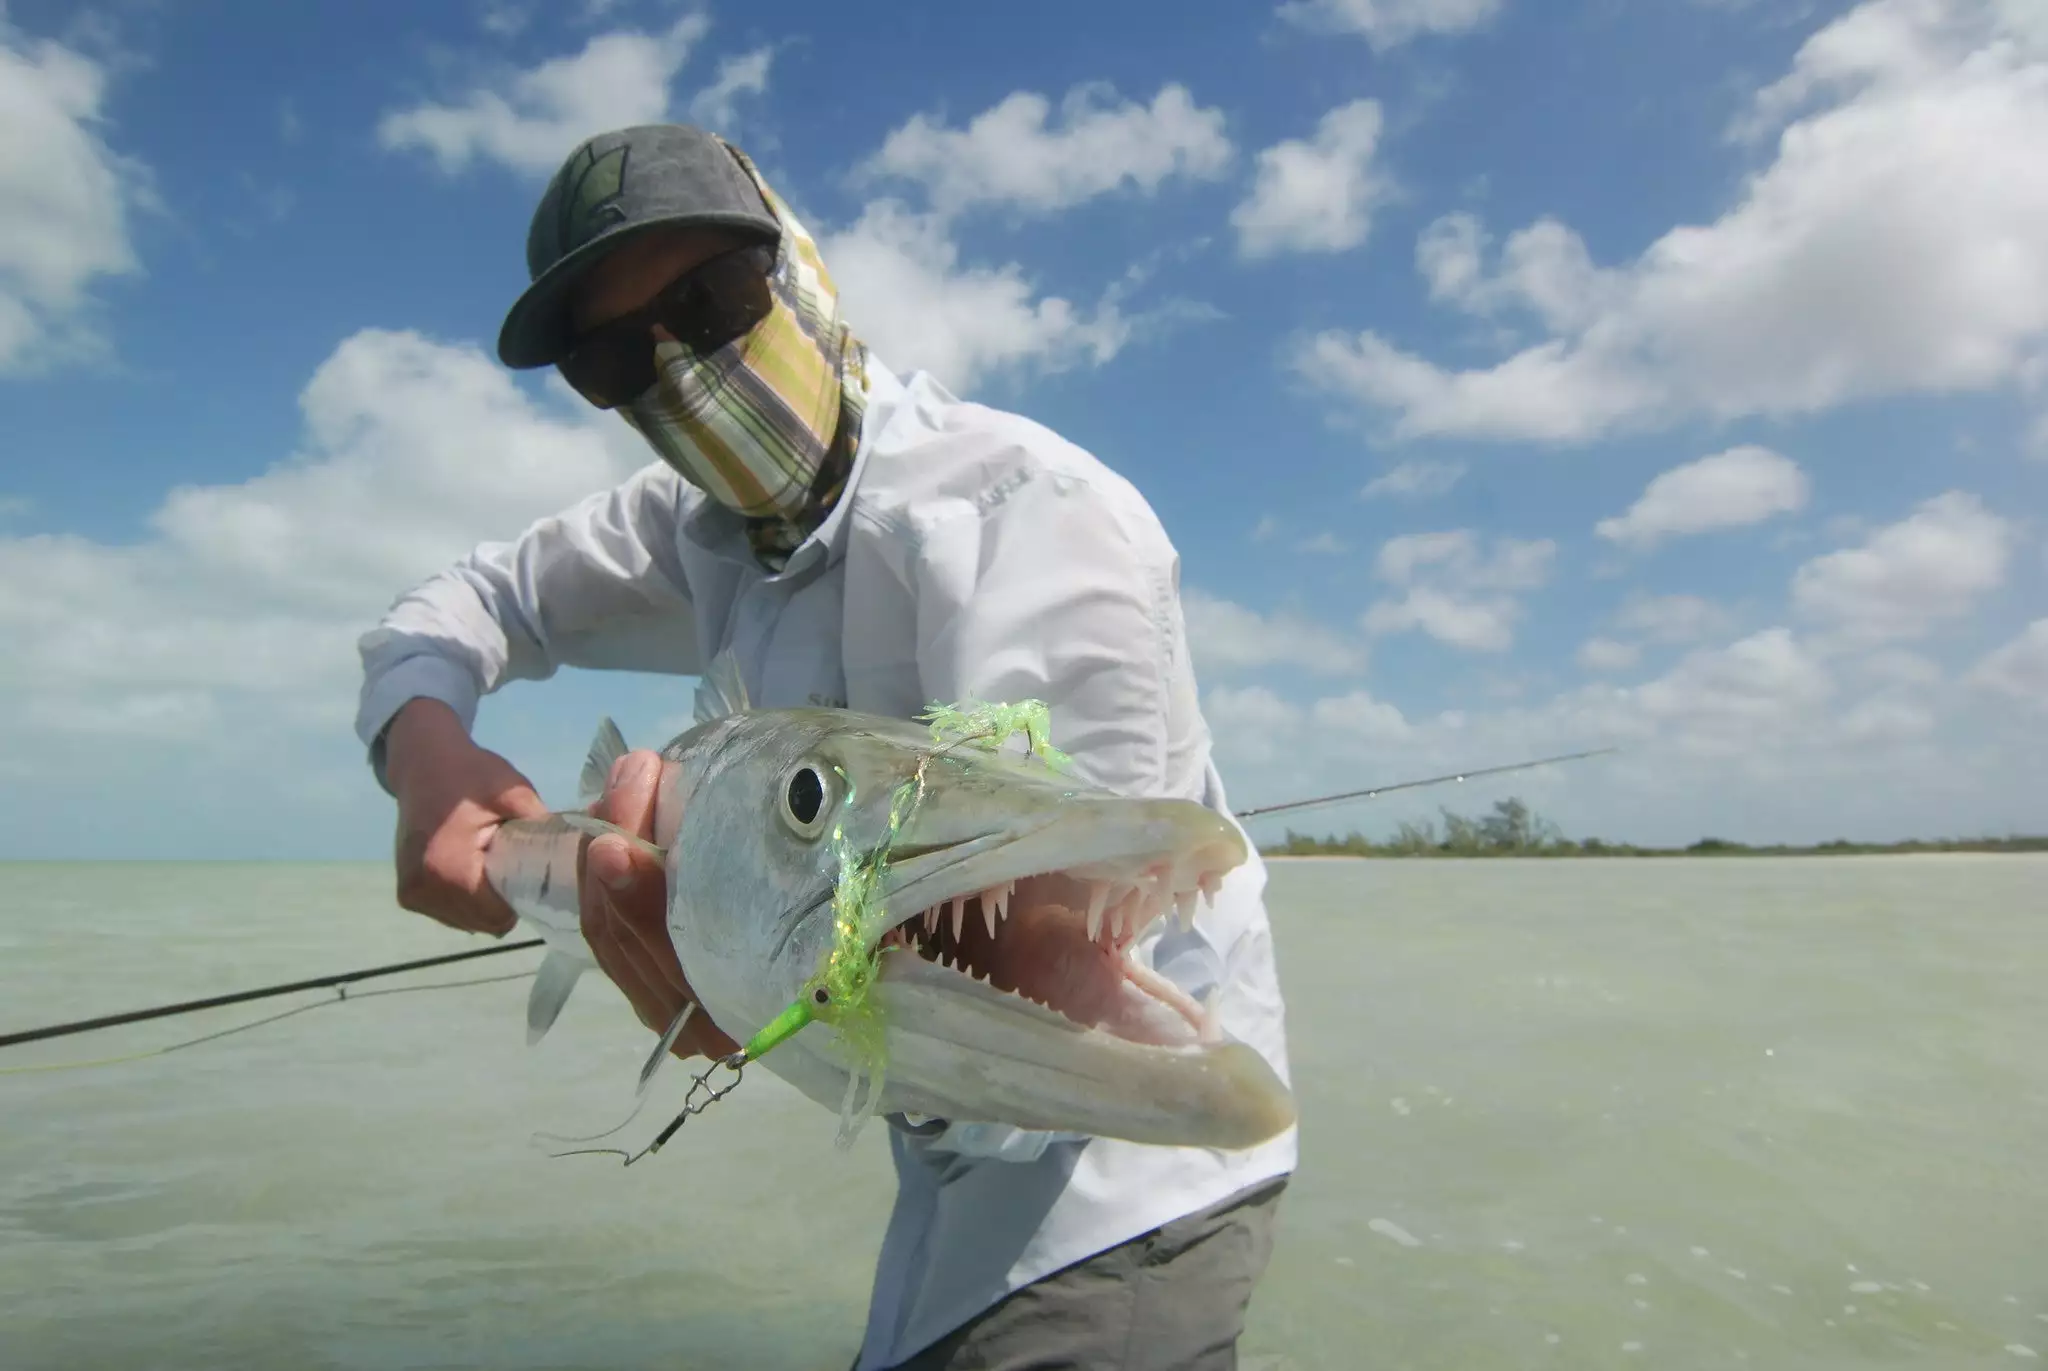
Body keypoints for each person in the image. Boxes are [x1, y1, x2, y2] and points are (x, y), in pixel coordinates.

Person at [355, 122, 1298, 1370]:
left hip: (1122, 1173)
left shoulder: (1030, 520)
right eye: (611, 356)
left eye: (712, 300)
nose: (678, 371)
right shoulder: (689, 529)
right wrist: (428, 763)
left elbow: (1048, 930)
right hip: (936, 1175)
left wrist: (736, 975)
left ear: (797, 267)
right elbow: (450, 611)